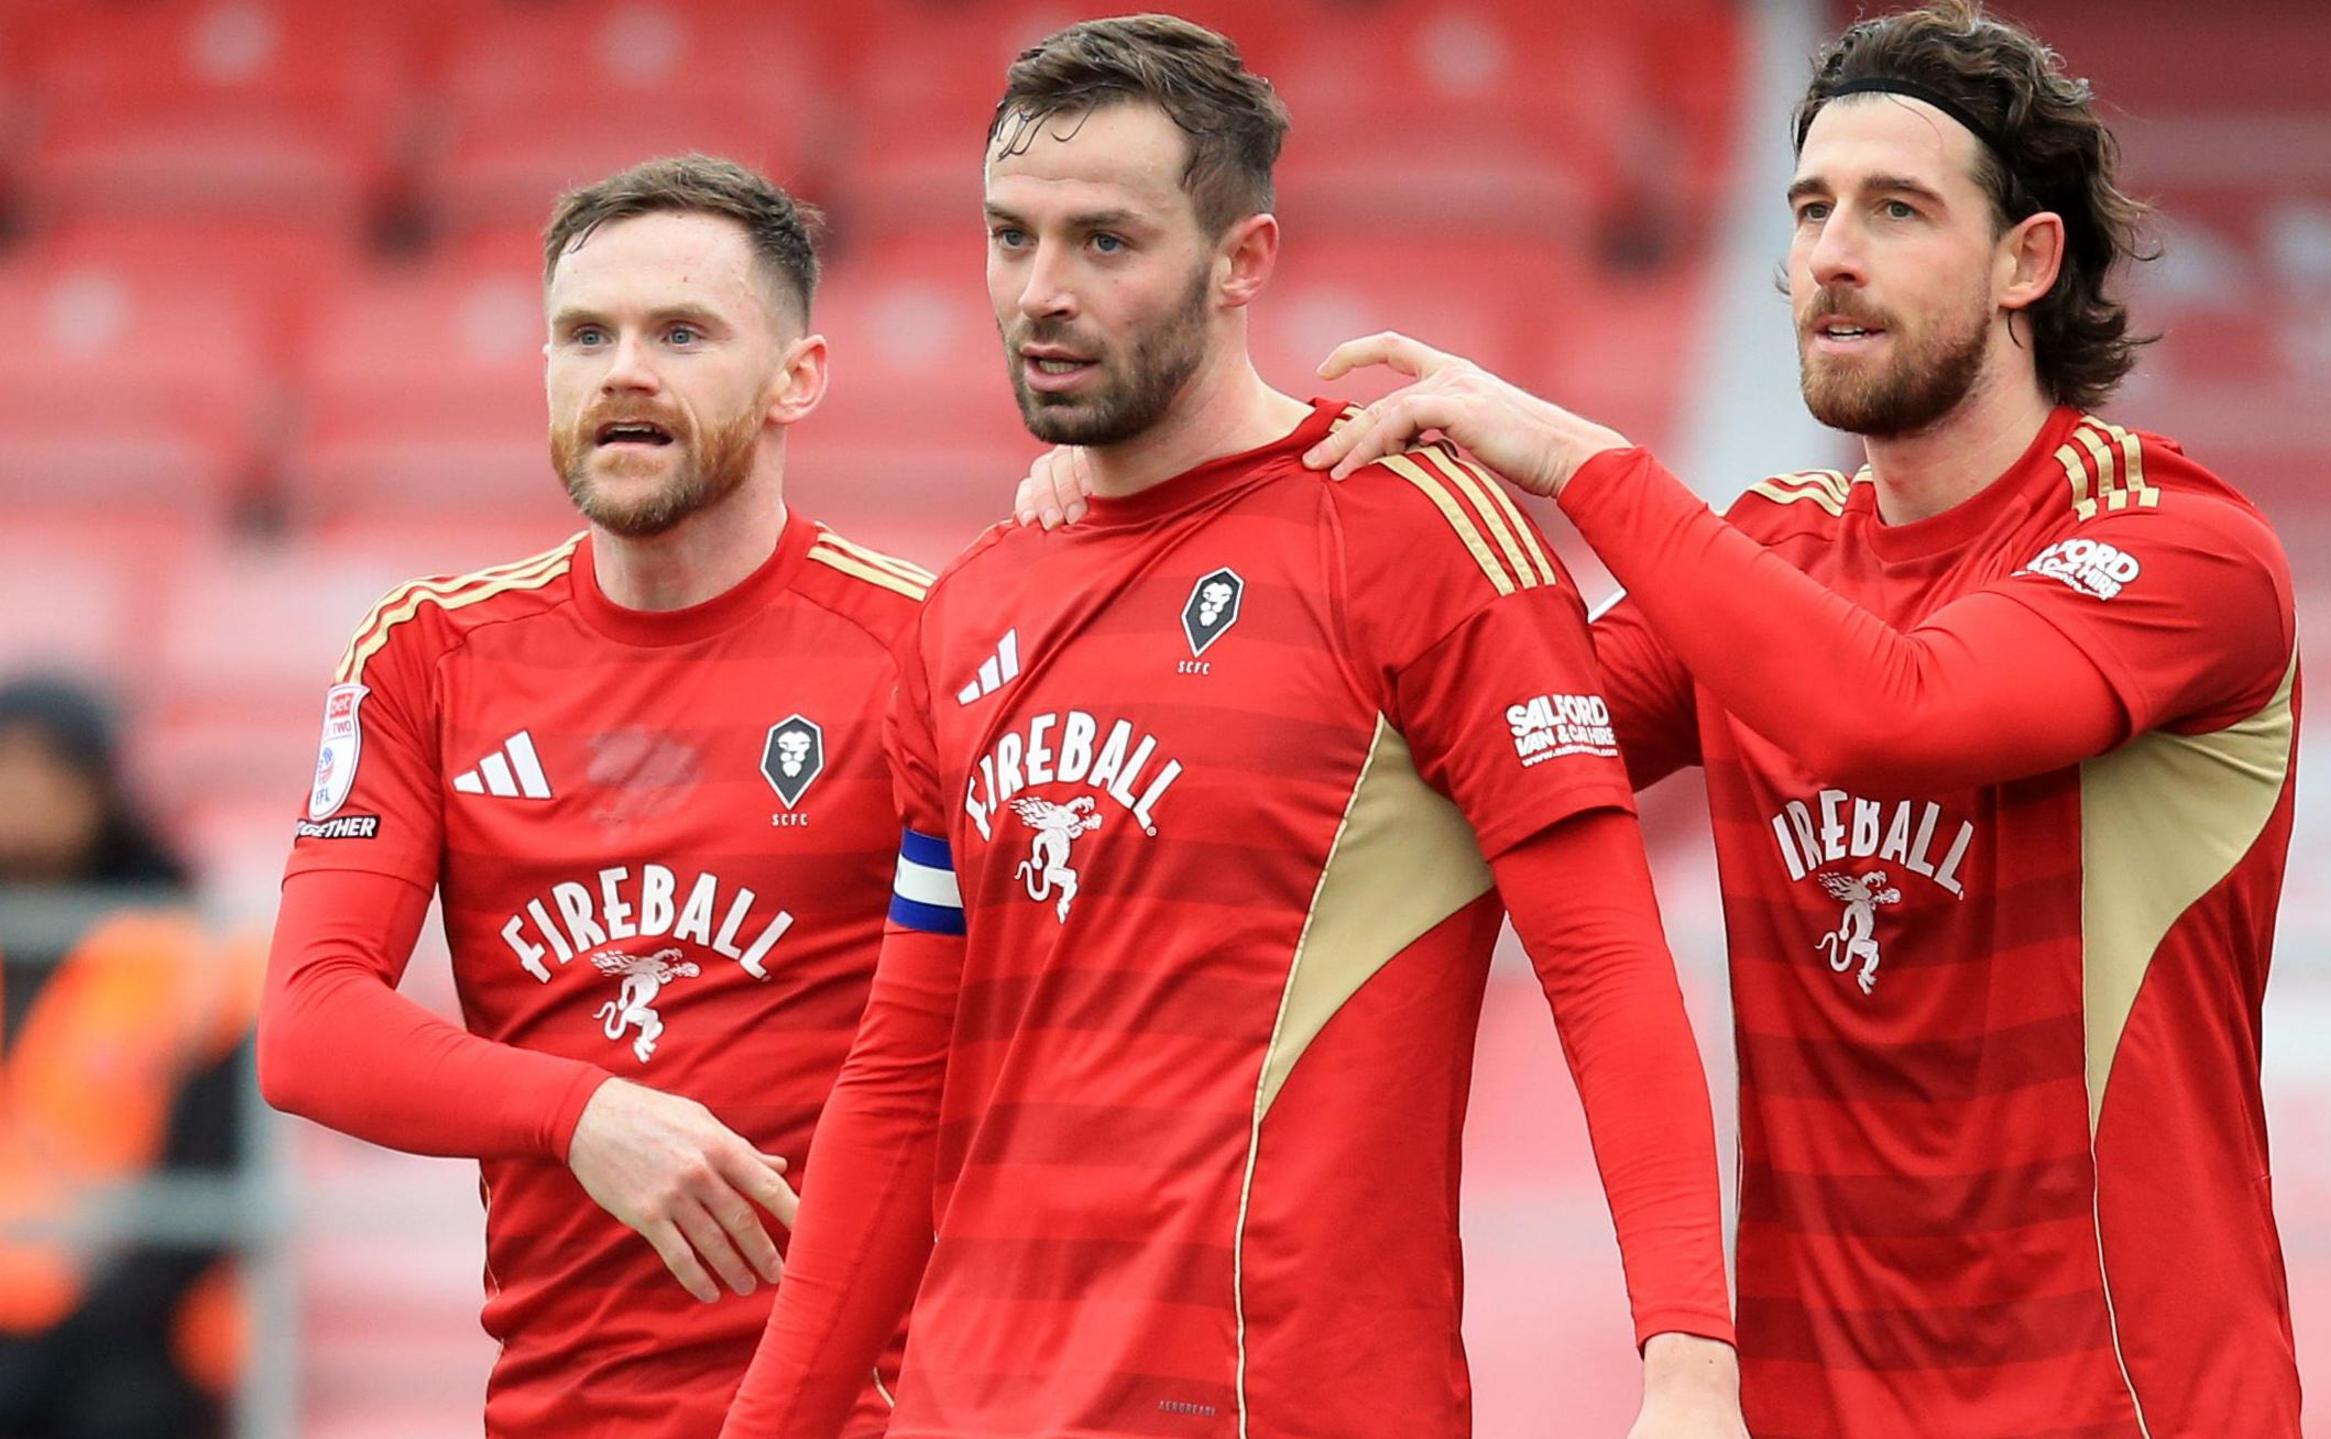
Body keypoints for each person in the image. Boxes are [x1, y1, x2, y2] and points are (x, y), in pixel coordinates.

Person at [724, 17, 1743, 1439]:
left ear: (1242, 259)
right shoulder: (969, 608)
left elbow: (1607, 963)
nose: (1041, 291)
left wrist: (1689, 1359)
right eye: (1010, 237)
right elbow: (899, 1078)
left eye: (1105, 241)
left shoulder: (1415, 539)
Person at [1296, 3, 2304, 1435]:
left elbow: (1895, 709)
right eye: (1810, 207)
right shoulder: (1769, 552)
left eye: (1896, 209)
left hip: (2121, 1409)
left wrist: (1581, 462)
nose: (1829, 253)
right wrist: (1148, 501)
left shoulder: (2179, 545)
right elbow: (1492, 742)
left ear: (2027, 261)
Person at [256, 156, 930, 1437]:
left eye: (681, 333)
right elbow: (309, 1024)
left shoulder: (927, 649)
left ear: (797, 376)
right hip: (556, 1403)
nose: (624, 370)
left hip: (871, 1404)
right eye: (585, 334)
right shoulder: (429, 652)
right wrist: (582, 1114)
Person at [0, 676, 249, 1439]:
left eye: (48, 771)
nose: (23, 797)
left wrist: (67, 1341)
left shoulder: (189, 953)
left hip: (134, 1342)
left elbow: (207, 1188)